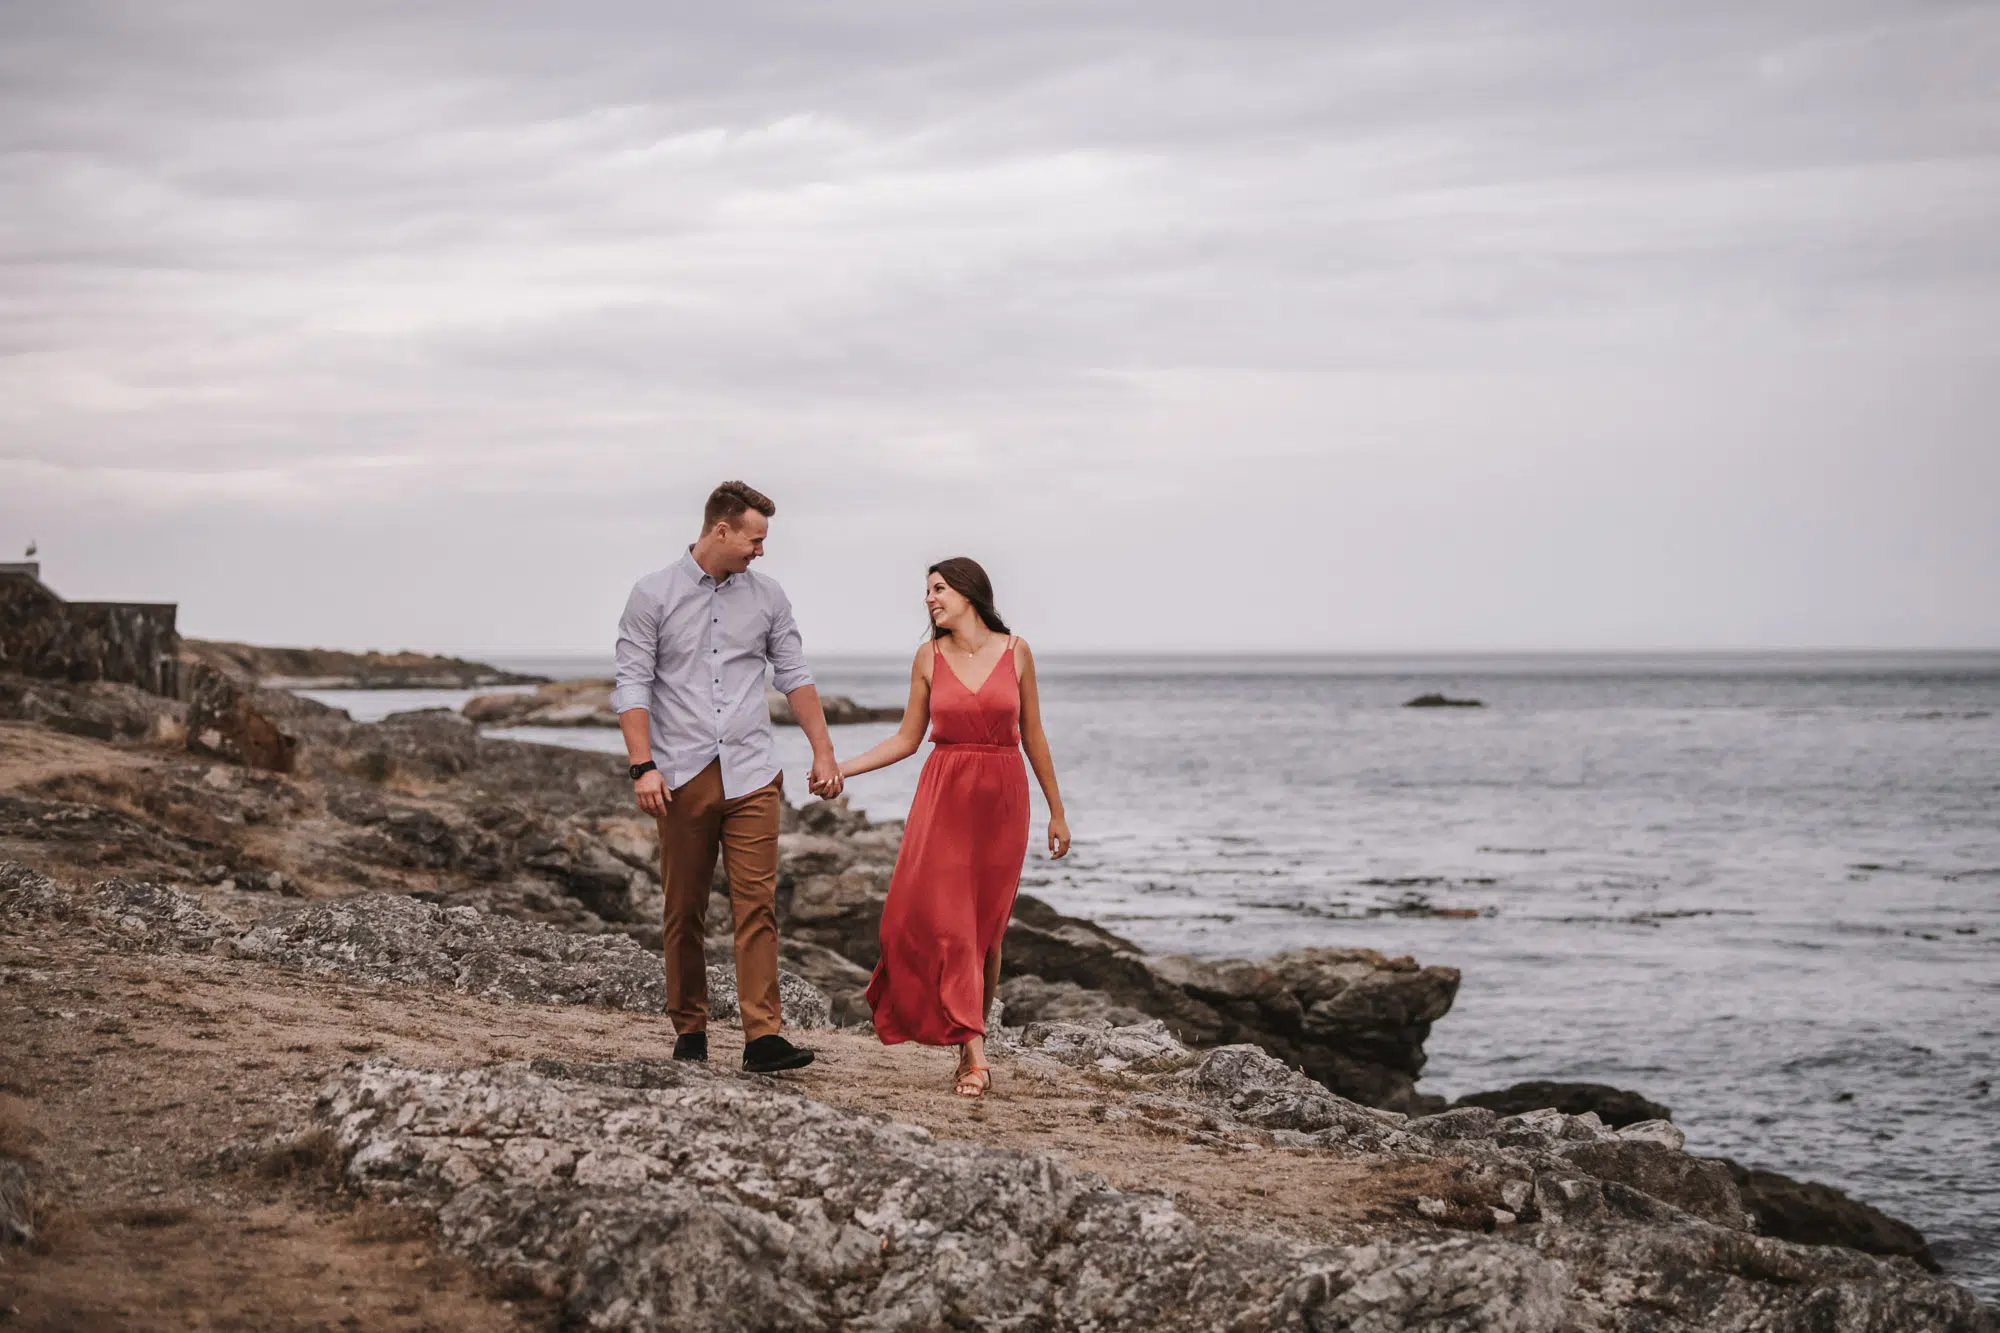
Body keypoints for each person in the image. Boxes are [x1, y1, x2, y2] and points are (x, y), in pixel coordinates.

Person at [613, 480, 844, 1074]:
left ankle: (762, 1038)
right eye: (754, 538)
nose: (760, 550)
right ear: (721, 530)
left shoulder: (768, 597)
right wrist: (643, 766)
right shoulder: (651, 595)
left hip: (752, 774)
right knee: (683, 910)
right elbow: (633, 684)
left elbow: (794, 675)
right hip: (682, 774)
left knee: (757, 906)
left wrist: (823, 752)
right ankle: (689, 1029)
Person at [837, 557, 1070, 1097]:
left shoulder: (1016, 652)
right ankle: (975, 1051)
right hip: (944, 797)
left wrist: (1057, 810)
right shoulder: (927, 657)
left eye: (939, 589)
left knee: (986, 933)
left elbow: (1033, 735)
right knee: (947, 924)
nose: (930, 599)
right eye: (927, 591)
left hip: (1003, 800)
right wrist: (844, 768)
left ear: (969, 592)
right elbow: (905, 740)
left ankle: (971, 1047)